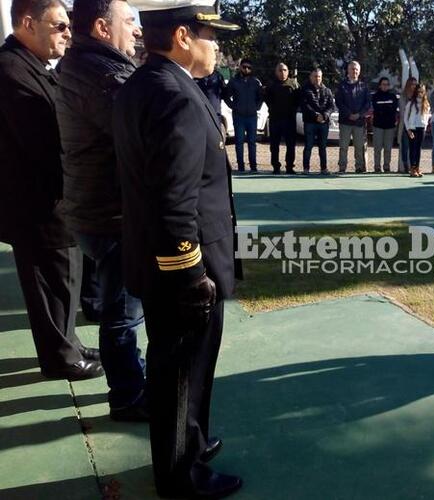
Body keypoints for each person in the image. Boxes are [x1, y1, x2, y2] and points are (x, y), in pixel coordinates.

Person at [112, 0, 242, 496]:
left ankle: (189, 443)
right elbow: (174, 202)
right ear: (183, 36)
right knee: (183, 372)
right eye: (211, 34)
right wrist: (190, 275)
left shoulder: (143, 85)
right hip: (184, 270)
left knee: (173, 368)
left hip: (155, 261)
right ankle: (181, 474)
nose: (218, 44)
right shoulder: (177, 97)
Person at [0, 0, 103, 381]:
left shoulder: (34, 67)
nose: (67, 33)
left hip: (55, 201)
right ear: (28, 23)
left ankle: (69, 343)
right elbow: (44, 141)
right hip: (37, 203)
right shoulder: (11, 69)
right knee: (50, 281)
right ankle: (60, 357)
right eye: (59, 25)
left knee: (66, 277)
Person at [56, 0, 148, 418]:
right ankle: (128, 395)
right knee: (122, 314)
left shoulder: (87, 64)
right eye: (129, 21)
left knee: (121, 309)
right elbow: (142, 131)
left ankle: (130, 378)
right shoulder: (102, 74)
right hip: (110, 213)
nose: (137, 31)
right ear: (100, 27)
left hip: (97, 208)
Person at [224, 57, 262, 172]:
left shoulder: (255, 82)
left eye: (249, 68)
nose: (246, 69)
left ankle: (253, 167)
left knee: (252, 142)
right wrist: (233, 106)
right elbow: (226, 96)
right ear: (240, 67)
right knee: (239, 142)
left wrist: (257, 107)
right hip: (238, 116)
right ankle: (241, 167)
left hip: (252, 116)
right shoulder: (234, 81)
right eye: (244, 67)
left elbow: (260, 97)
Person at [336, 60, 371, 173]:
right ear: (348, 70)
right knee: (343, 146)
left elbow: (367, 104)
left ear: (359, 71)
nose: (354, 71)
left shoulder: (364, 86)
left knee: (359, 147)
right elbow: (339, 102)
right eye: (352, 69)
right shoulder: (342, 85)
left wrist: (359, 115)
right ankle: (342, 167)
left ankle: (359, 167)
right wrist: (349, 114)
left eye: (356, 69)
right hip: (345, 121)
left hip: (359, 122)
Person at [264, 62, 300, 174]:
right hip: (275, 120)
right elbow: (266, 99)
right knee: (274, 145)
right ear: (276, 72)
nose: (282, 72)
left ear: (288, 71)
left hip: (289, 120)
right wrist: (273, 108)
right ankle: (276, 167)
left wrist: (293, 109)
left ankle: (289, 166)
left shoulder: (294, 84)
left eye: (284, 70)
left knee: (290, 145)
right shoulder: (271, 85)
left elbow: (298, 99)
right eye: (280, 70)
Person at [300, 68, 336, 174]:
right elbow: (304, 105)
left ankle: (324, 168)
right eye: (315, 76)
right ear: (310, 77)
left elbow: (331, 106)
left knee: (322, 147)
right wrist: (316, 115)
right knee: (308, 146)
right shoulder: (305, 90)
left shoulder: (327, 90)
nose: (317, 78)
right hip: (310, 122)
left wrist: (324, 115)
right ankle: (306, 169)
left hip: (323, 123)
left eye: (319, 76)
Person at [371, 76, 399, 173]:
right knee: (377, 148)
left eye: (387, 84)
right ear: (380, 85)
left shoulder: (393, 97)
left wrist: (384, 109)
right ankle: (377, 167)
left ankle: (386, 167)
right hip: (378, 126)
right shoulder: (375, 96)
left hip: (390, 126)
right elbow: (376, 109)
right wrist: (385, 109)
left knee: (388, 148)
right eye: (383, 84)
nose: (385, 86)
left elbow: (393, 110)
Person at [404, 83, 431, 177]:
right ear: (416, 92)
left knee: (418, 149)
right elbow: (405, 117)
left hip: (421, 128)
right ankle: (412, 168)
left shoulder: (426, 103)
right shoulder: (411, 103)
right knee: (412, 148)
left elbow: (427, 116)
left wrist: (426, 126)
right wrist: (408, 129)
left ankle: (417, 167)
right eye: (419, 91)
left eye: (422, 92)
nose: (420, 93)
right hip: (412, 128)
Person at [398, 76, 418, 173]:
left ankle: (414, 167)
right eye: (412, 84)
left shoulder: (417, 96)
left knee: (414, 147)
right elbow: (403, 112)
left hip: (416, 126)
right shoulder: (403, 96)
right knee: (405, 146)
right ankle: (406, 165)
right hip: (405, 125)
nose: (414, 86)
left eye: (415, 84)